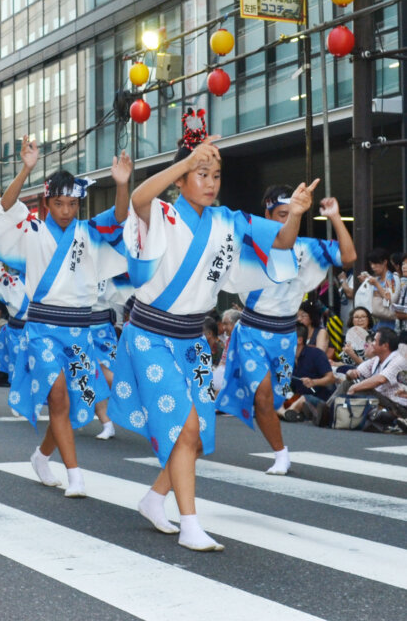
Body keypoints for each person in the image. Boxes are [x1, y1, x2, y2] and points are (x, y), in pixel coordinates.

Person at [108, 110, 316, 552]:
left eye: (216, 174)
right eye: (201, 173)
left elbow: (279, 241)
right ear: (182, 178)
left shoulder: (228, 221)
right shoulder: (160, 212)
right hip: (149, 335)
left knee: (196, 436)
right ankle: (190, 524)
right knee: (184, 430)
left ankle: (153, 499)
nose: (210, 181)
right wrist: (185, 161)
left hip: (193, 340)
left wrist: (295, 214)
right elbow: (140, 197)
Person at [0, 135, 130, 497]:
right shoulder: (31, 230)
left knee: (72, 404)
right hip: (42, 327)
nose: (65, 210)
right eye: (58, 203)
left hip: (79, 329)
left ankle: (42, 457)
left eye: (72, 203)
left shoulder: (87, 233)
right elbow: (4, 210)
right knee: (58, 396)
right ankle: (75, 475)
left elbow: (120, 218)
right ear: (46, 203)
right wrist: (26, 169)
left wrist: (122, 185)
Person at [216, 187, 355, 474]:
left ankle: (279, 446)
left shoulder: (308, 247)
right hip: (253, 331)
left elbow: (349, 257)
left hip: (285, 336)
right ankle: (281, 454)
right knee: (263, 395)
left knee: (274, 398)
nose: (286, 221)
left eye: (292, 214)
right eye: (281, 215)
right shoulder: (252, 242)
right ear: (266, 215)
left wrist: (336, 217)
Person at [330, 327, 407, 429]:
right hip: (382, 400)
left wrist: (355, 387)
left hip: (397, 407)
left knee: (354, 386)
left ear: (385, 346)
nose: (372, 344)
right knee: (348, 383)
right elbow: (358, 372)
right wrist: (350, 373)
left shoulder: (398, 360)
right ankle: (329, 409)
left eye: (375, 340)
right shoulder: (376, 359)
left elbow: (380, 380)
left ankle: (329, 411)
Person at [91, 273, 133, 440]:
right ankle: (107, 424)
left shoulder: (107, 253)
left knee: (108, 375)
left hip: (101, 324)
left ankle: (138, 400)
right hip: (78, 322)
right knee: (90, 376)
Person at [281, 324, 337, 422]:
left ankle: (287, 414)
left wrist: (314, 382)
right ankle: (291, 414)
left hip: (321, 400)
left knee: (304, 399)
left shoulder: (316, 354)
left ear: (299, 340)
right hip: (297, 396)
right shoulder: (286, 358)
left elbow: (331, 378)